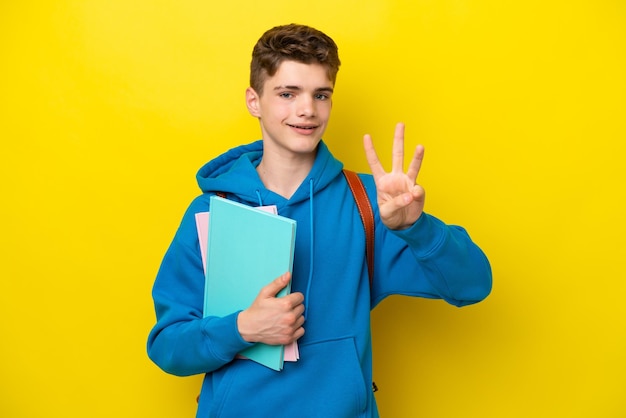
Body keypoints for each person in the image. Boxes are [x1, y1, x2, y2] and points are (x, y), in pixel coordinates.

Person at [147, 23, 492, 418]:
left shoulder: (371, 204)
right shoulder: (210, 211)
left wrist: (416, 228)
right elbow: (167, 346)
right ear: (254, 100)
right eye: (287, 93)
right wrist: (242, 329)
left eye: (321, 95)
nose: (307, 109)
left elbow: (474, 286)